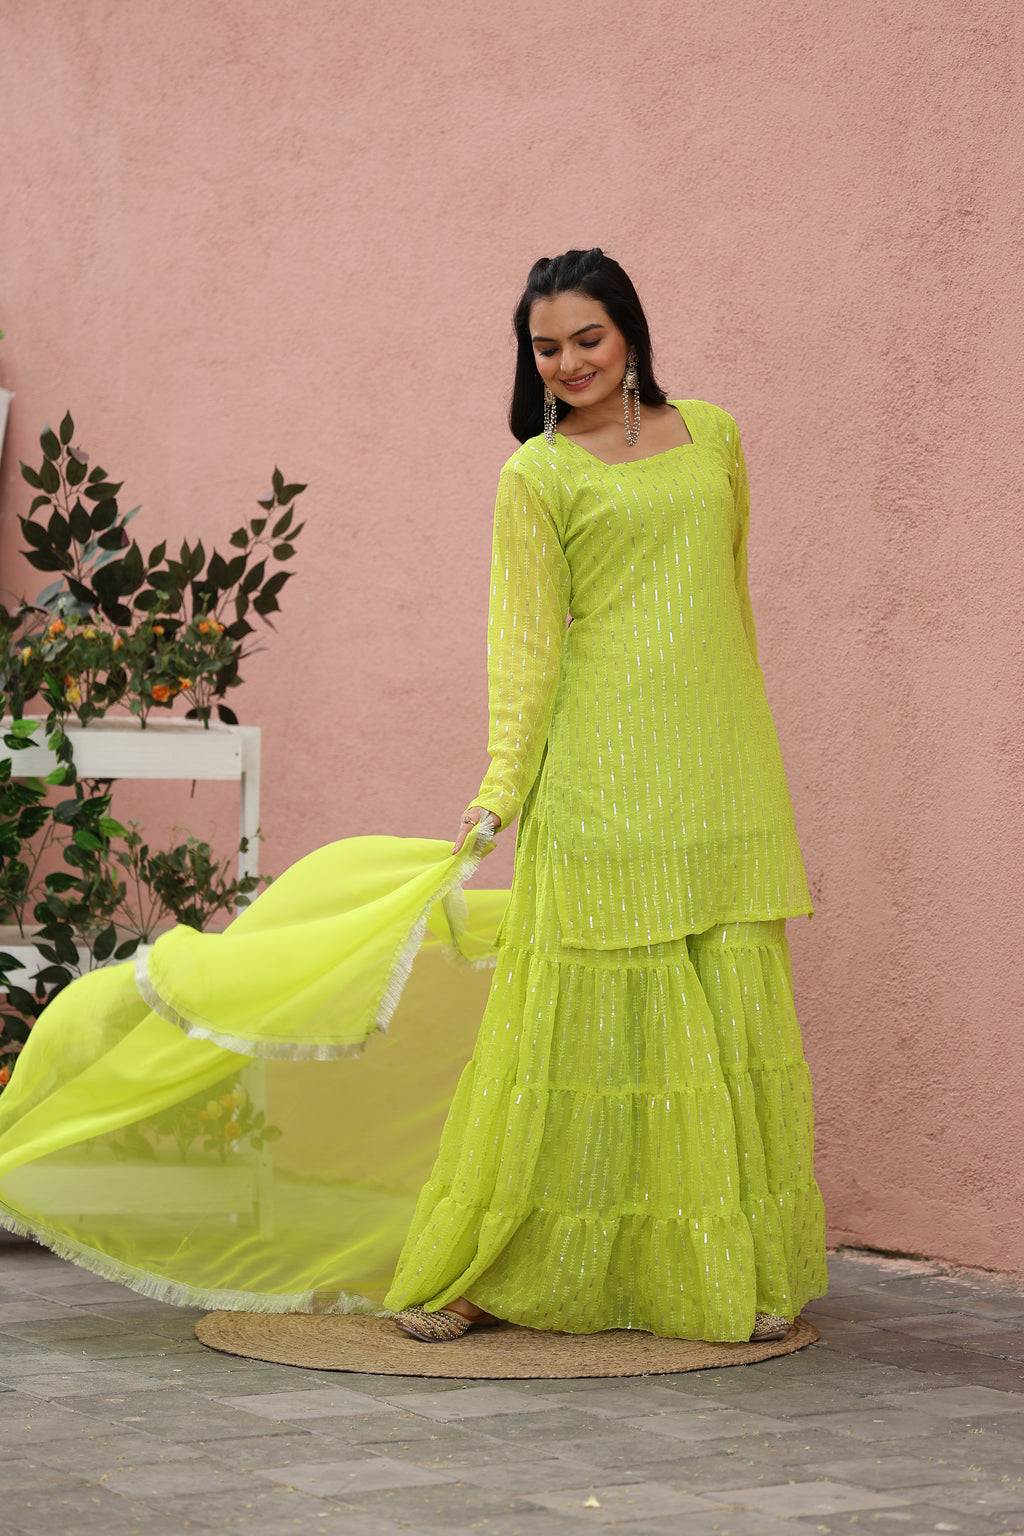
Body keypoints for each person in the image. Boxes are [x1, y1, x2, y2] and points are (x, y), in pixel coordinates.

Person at [384, 247, 828, 1344]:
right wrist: (500, 787)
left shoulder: (714, 434)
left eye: (589, 337)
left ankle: (736, 1269)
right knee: (570, 1032)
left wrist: (743, 743)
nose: (570, 361)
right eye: (548, 346)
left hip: (718, 759)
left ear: (629, 331)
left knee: (724, 1016)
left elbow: (728, 597)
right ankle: (490, 1269)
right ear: (527, 358)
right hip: (600, 768)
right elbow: (528, 646)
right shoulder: (535, 476)